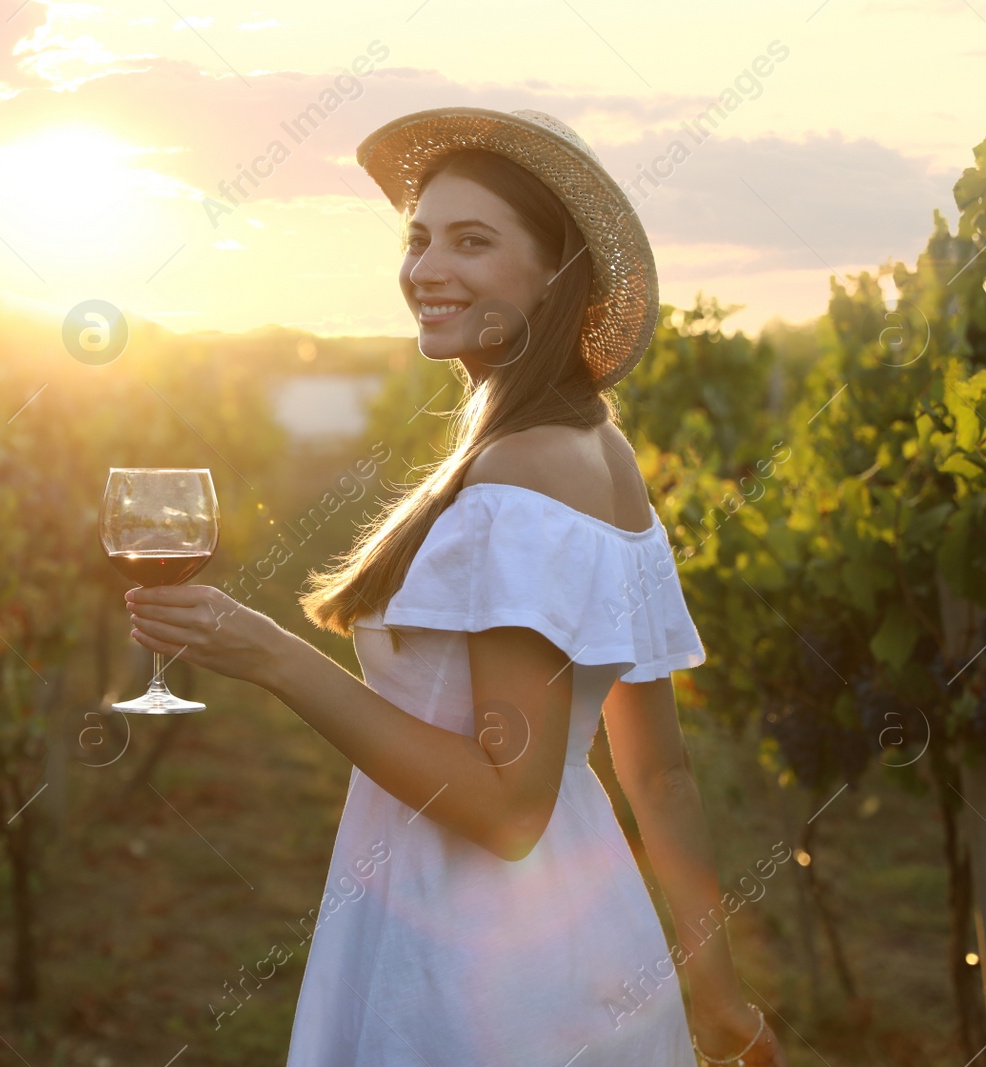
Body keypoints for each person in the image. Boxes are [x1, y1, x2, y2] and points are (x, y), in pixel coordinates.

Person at [125, 106, 787, 1066]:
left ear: (558, 275)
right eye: (418, 239)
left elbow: (507, 809)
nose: (427, 270)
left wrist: (270, 656)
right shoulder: (601, 451)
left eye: (472, 241)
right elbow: (658, 770)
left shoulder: (522, 479)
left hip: (479, 976)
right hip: (588, 944)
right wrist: (717, 996)